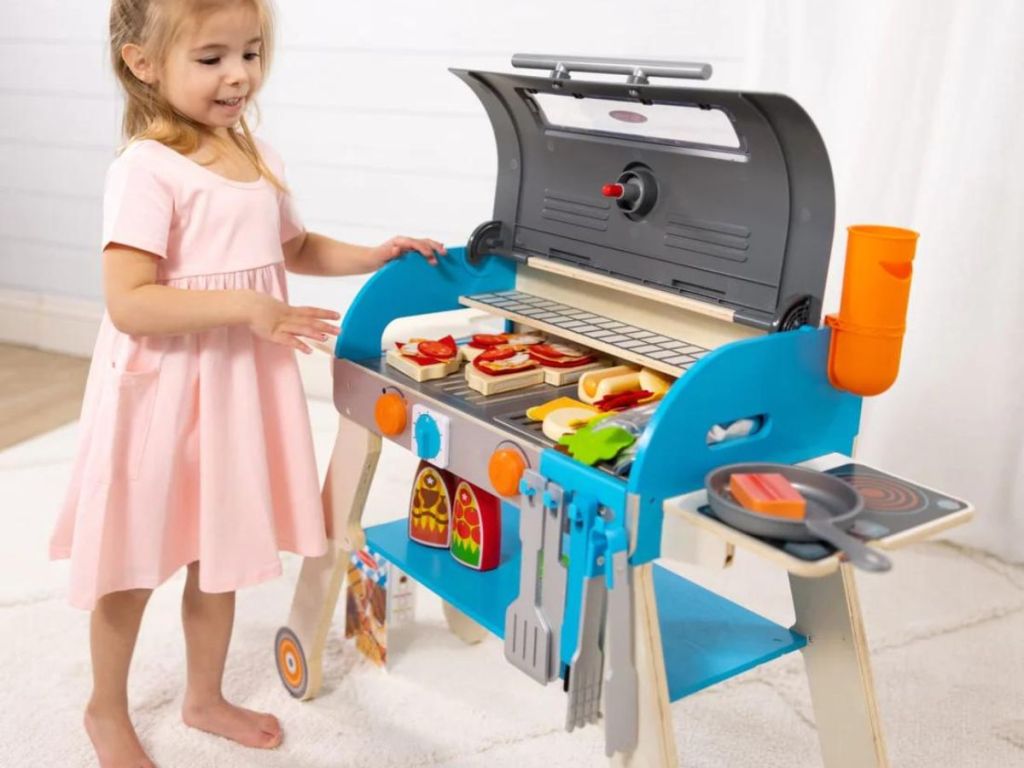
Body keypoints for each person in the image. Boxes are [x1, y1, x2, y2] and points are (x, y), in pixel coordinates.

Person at [48, 1, 444, 765]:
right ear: (143, 63)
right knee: (132, 559)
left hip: (235, 391)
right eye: (211, 58)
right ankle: (104, 708)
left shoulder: (255, 153)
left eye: (251, 53)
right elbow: (129, 301)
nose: (238, 75)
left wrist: (374, 255)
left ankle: (203, 696)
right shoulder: (146, 170)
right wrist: (248, 308)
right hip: (162, 393)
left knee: (219, 545)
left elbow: (291, 244)